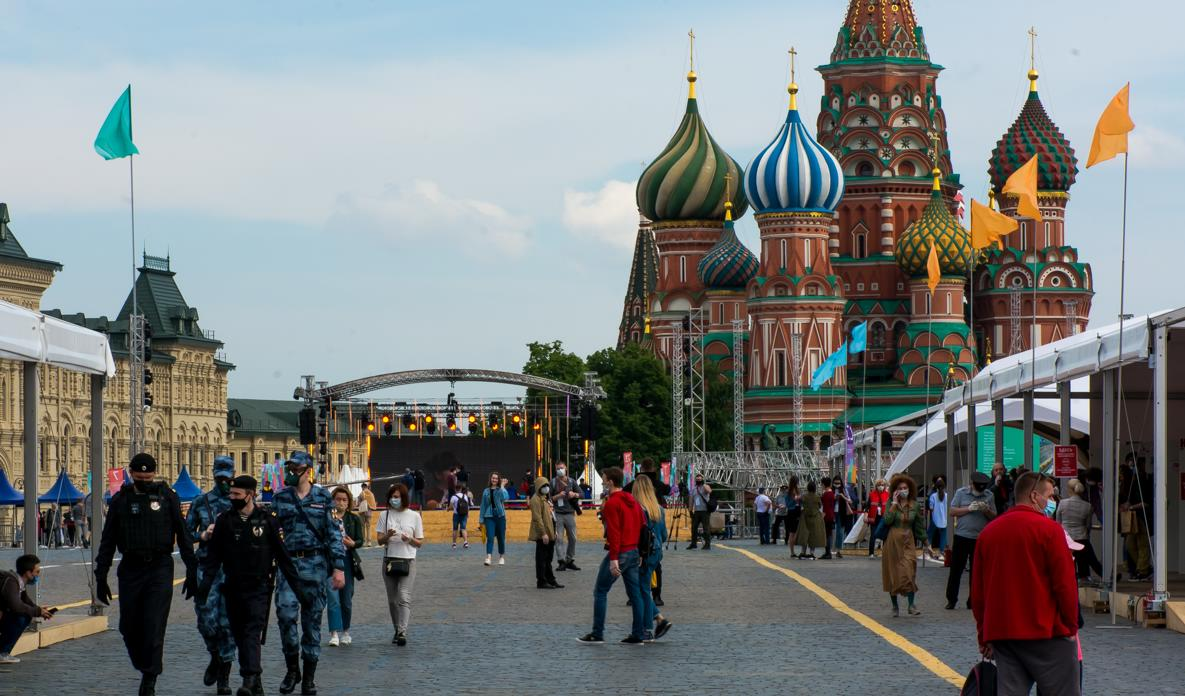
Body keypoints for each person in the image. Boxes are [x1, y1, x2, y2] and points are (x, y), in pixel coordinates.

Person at [94, 453, 199, 696]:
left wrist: (192, 571)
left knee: (153, 624)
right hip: (131, 567)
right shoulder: (120, 500)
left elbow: (183, 536)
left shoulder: (167, 497)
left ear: (154, 473)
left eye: (148, 475)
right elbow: (108, 541)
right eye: (139, 475)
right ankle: (145, 665)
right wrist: (101, 576)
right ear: (131, 473)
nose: (144, 478)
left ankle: (150, 677)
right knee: (128, 627)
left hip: (159, 568)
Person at [197, 476, 308, 696]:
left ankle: (248, 680)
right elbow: (213, 558)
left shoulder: (267, 521)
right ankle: (256, 681)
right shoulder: (225, 521)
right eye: (231, 494)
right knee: (239, 634)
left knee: (251, 632)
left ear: (250, 495)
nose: (232, 498)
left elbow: (284, 558)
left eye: (237, 495)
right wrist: (203, 587)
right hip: (232, 587)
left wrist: (300, 591)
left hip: (258, 588)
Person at [972, 472, 1080, 696]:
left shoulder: (988, 533)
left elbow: (979, 593)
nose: (1052, 502)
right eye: (1050, 496)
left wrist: (984, 635)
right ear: (1034, 496)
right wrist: (1070, 626)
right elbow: (1065, 585)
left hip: (1004, 633)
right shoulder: (1050, 531)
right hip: (1047, 633)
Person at [270, 451, 346, 696]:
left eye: (296, 467)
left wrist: (338, 568)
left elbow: (334, 534)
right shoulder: (280, 497)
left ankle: (309, 678)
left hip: (315, 565)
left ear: (307, 469)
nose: (291, 472)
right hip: (288, 566)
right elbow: (270, 533)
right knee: (285, 615)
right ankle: (293, 669)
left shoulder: (323, 497)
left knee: (312, 623)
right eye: (289, 467)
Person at [186, 455, 238, 694]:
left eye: (228, 478)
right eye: (220, 478)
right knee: (206, 621)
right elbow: (186, 536)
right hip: (207, 569)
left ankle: (224, 676)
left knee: (228, 624)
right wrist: (203, 536)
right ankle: (215, 656)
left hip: (233, 570)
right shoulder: (201, 502)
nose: (224, 483)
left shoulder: (241, 502)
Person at [578, 466, 647, 645]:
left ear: (610, 481)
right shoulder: (632, 499)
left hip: (620, 552)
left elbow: (614, 534)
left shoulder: (611, 503)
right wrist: (640, 552)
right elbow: (642, 525)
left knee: (600, 591)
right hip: (633, 551)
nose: (602, 481)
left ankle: (597, 633)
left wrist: (614, 559)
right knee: (635, 594)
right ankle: (638, 634)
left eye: (604, 479)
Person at [377, 483, 424, 646]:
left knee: (404, 596)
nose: (393, 499)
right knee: (392, 600)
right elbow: (379, 539)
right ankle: (397, 629)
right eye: (391, 496)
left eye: (396, 496)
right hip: (389, 560)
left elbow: (419, 542)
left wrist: (409, 539)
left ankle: (403, 631)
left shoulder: (414, 516)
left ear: (403, 498)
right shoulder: (385, 515)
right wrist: (387, 536)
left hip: (408, 560)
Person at [946, 471, 997, 610]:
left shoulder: (989, 495)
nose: (980, 490)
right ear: (972, 484)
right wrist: (968, 509)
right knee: (956, 569)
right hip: (962, 536)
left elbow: (994, 516)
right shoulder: (961, 493)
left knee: (976, 572)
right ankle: (951, 599)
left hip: (980, 538)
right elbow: (952, 511)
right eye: (978, 487)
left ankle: (973, 600)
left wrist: (986, 510)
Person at [631, 476, 673, 642]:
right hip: (656, 552)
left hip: (642, 553)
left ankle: (649, 628)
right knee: (644, 588)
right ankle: (657, 619)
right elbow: (663, 535)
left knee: (642, 590)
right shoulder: (658, 509)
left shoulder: (638, 508)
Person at [625, 458, 670, 603]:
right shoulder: (659, 507)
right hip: (654, 542)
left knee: (634, 568)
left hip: (635, 542)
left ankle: (634, 596)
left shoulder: (633, 487)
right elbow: (664, 535)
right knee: (656, 567)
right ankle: (656, 596)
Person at [881, 474, 925, 617]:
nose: (903, 490)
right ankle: (895, 606)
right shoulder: (890, 503)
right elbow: (887, 520)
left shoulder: (915, 505)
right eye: (900, 488)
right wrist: (894, 503)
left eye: (905, 488)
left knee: (909, 571)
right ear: (895, 490)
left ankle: (911, 605)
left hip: (908, 541)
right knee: (892, 574)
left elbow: (919, 526)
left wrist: (926, 543)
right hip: (893, 541)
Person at [0, 554, 54, 664]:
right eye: (37, 572)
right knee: (22, 617)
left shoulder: (19, 582)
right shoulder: (11, 582)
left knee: (26, 614)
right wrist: (37, 612)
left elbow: (26, 601)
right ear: (28, 573)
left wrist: (39, 610)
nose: (38, 575)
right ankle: (2, 653)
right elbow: (17, 606)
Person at [326, 486, 361, 648]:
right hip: (330, 562)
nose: (340, 502)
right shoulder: (327, 518)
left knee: (346, 600)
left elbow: (359, 540)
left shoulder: (354, 519)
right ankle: (334, 633)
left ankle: (346, 631)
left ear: (349, 502)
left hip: (347, 560)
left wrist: (353, 543)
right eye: (337, 499)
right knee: (333, 599)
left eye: (344, 500)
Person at [1057, 479, 1102, 580]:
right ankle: (1090, 576)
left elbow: (1058, 522)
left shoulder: (1062, 503)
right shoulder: (1088, 506)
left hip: (1066, 538)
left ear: (1070, 490)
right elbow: (1088, 525)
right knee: (1090, 558)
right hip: (1082, 537)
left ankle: (1074, 578)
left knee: (1070, 561)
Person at [1121, 459, 1153, 581]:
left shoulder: (1144, 481)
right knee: (1130, 545)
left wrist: (1131, 507)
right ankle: (1143, 567)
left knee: (1143, 544)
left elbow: (1146, 502)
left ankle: (1143, 570)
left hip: (1142, 517)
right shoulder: (1131, 484)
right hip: (1133, 518)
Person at [528, 476, 562, 589]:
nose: (546, 488)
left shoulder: (546, 498)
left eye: (547, 485)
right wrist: (543, 533)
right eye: (543, 486)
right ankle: (541, 581)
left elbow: (551, 516)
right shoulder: (535, 499)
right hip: (543, 534)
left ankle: (550, 579)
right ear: (538, 487)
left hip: (550, 531)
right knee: (541, 559)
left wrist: (554, 531)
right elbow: (537, 519)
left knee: (548, 559)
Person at [551, 463, 582, 571]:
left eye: (562, 468)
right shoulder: (553, 482)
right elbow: (549, 498)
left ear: (566, 468)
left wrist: (574, 494)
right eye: (558, 468)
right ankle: (561, 561)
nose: (560, 470)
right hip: (558, 514)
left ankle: (569, 559)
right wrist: (558, 496)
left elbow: (581, 494)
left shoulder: (572, 481)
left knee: (573, 538)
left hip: (570, 513)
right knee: (559, 539)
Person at [479, 472, 509, 566]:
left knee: (501, 537)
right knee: (490, 537)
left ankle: (501, 557)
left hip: (500, 516)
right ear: (490, 479)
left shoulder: (500, 490)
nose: (494, 480)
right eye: (493, 478)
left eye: (496, 478)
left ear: (498, 480)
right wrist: (481, 519)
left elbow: (506, 498)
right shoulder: (486, 491)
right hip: (489, 516)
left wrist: (503, 486)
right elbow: (483, 505)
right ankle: (488, 557)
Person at [822, 476, 853, 559]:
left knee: (840, 531)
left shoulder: (844, 490)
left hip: (841, 512)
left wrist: (842, 496)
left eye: (838, 483)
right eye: (835, 483)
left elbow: (850, 501)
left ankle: (838, 550)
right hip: (832, 512)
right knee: (831, 532)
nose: (837, 485)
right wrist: (834, 498)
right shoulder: (830, 490)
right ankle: (830, 549)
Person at [794, 481, 825, 559]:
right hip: (815, 518)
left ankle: (802, 552)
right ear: (815, 488)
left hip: (805, 517)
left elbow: (798, 501)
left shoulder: (804, 496)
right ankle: (811, 552)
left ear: (808, 488)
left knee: (804, 535)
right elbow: (820, 506)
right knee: (813, 535)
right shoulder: (817, 497)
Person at [686, 474, 713, 550]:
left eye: (700, 479)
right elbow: (691, 500)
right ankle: (693, 543)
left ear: (702, 480)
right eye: (697, 480)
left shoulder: (705, 487)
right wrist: (690, 510)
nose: (698, 481)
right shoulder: (694, 489)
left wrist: (704, 485)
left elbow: (710, 491)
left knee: (706, 528)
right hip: (697, 511)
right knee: (693, 528)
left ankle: (707, 544)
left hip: (705, 511)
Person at [926, 476, 948, 562]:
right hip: (944, 519)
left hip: (935, 519)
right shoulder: (947, 495)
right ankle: (942, 552)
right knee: (943, 536)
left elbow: (931, 508)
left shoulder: (933, 496)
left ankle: (928, 551)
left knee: (929, 535)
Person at [866, 478, 890, 557]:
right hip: (874, 517)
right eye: (879, 485)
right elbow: (867, 506)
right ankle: (871, 553)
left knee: (885, 535)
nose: (881, 486)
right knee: (873, 535)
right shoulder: (872, 494)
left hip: (883, 517)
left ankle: (885, 552)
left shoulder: (887, 494)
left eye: (882, 485)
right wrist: (865, 516)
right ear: (876, 486)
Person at [449, 485, 472, 549]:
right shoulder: (465, 496)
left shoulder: (453, 497)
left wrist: (448, 509)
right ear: (461, 489)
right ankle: (465, 542)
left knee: (455, 529)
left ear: (455, 489)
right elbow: (467, 506)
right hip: (464, 514)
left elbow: (450, 506)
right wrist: (467, 514)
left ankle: (454, 544)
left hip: (456, 514)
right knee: (463, 528)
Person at [355, 483, 376, 547]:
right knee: (369, 527)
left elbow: (358, 503)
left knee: (362, 526)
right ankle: (369, 541)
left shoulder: (362, 493)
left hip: (363, 512)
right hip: (369, 512)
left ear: (362, 487)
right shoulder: (371, 494)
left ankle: (363, 541)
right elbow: (373, 502)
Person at [784, 477, 802, 551]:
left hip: (798, 510)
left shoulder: (797, 491)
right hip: (792, 511)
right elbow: (788, 504)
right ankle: (792, 551)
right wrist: (795, 500)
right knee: (792, 532)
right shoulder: (788, 492)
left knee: (796, 531)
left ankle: (794, 550)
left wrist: (800, 499)